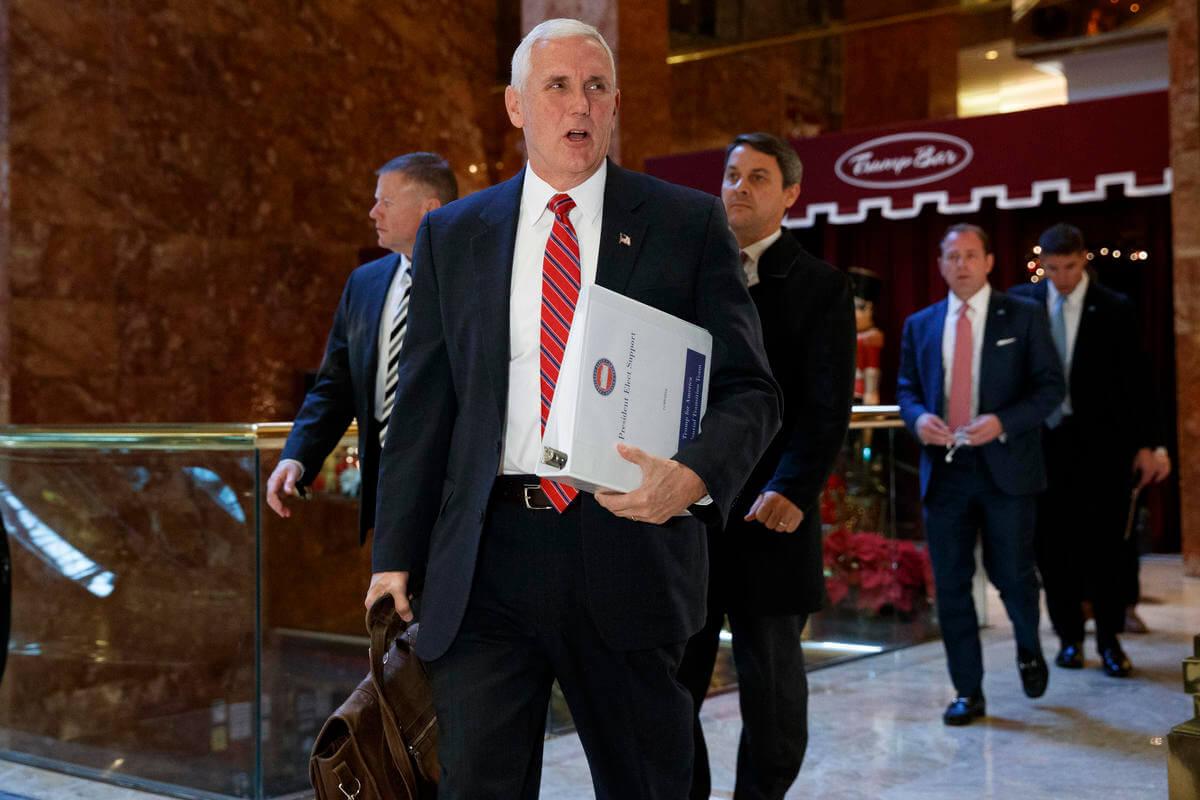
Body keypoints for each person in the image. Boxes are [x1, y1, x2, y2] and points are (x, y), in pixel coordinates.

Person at [365, 19, 780, 799]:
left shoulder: (685, 225)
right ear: (518, 106)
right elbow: (422, 410)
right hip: (486, 558)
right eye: (557, 86)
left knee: (648, 784)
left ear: (617, 103)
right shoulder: (454, 234)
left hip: (627, 546)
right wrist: (395, 554)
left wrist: (691, 477)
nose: (578, 104)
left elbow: (751, 390)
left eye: (596, 87)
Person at [676, 132, 855, 800]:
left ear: (790, 195)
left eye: (757, 177)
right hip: (688, 514)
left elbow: (827, 406)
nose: (739, 188)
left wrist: (793, 488)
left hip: (769, 516)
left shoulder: (820, 285)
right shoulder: (690, 274)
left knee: (772, 696)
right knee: (672, 684)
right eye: (730, 174)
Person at [897, 223, 1064, 725]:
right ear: (941, 264)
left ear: (990, 262)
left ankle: (1029, 646)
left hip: (1006, 469)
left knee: (1013, 575)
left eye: (972, 256)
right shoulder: (920, 324)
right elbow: (906, 387)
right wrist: (917, 418)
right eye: (953, 257)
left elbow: (1050, 388)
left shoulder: (1026, 316)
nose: (962, 265)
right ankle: (968, 691)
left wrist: (1002, 422)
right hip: (945, 472)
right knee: (951, 585)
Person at [265, 153, 457, 537]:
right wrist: (297, 457)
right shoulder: (364, 284)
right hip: (384, 498)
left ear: (429, 208)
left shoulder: (471, 281)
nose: (373, 213)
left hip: (457, 500)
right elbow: (336, 385)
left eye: (386, 202)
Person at [1010, 222, 1171, 677]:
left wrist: (1150, 444)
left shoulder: (1114, 307)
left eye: (1069, 267)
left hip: (1103, 446)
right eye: (1053, 268)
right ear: (1041, 263)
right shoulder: (1022, 302)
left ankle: (1109, 640)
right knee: (1052, 546)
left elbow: (1140, 381)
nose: (1061, 277)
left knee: (1107, 547)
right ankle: (1068, 639)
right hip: (1042, 445)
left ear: (1084, 260)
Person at [850, 267, 885, 406]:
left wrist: (871, 395)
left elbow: (872, 370)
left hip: (859, 394)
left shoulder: (871, 338)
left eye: (858, 307)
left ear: (869, 309)